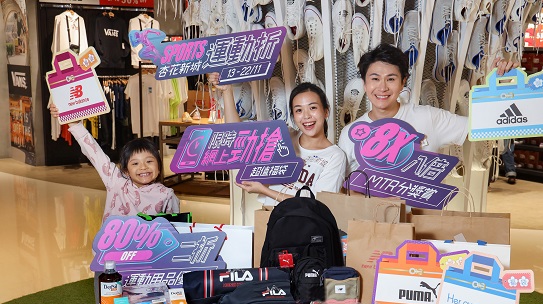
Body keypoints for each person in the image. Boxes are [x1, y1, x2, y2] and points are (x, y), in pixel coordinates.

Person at [338, 43, 519, 175]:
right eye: (375, 79)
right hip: (369, 216)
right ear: (364, 83)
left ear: (403, 83)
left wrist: (502, 88)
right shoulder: (350, 134)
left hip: (420, 216)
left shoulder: (428, 118)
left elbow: (488, 125)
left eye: (391, 79)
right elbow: (344, 189)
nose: (383, 87)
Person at [207, 73, 347, 205]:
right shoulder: (283, 136)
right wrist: (227, 91)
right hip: (269, 215)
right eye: (299, 110)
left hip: (303, 221)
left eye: (313, 108)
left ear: (326, 111)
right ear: (293, 116)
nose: (306, 116)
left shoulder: (335, 156)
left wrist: (264, 190)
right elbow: (237, 135)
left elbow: (316, 205)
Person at [49, 104, 180, 220]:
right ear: (126, 170)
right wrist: (73, 122)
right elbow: (94, 153)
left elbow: (176, 231)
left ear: (159, 166)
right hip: (113, 241)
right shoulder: (116, 182)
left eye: (149, 161)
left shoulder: (166, 195)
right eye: (135, 163)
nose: (143, 167)